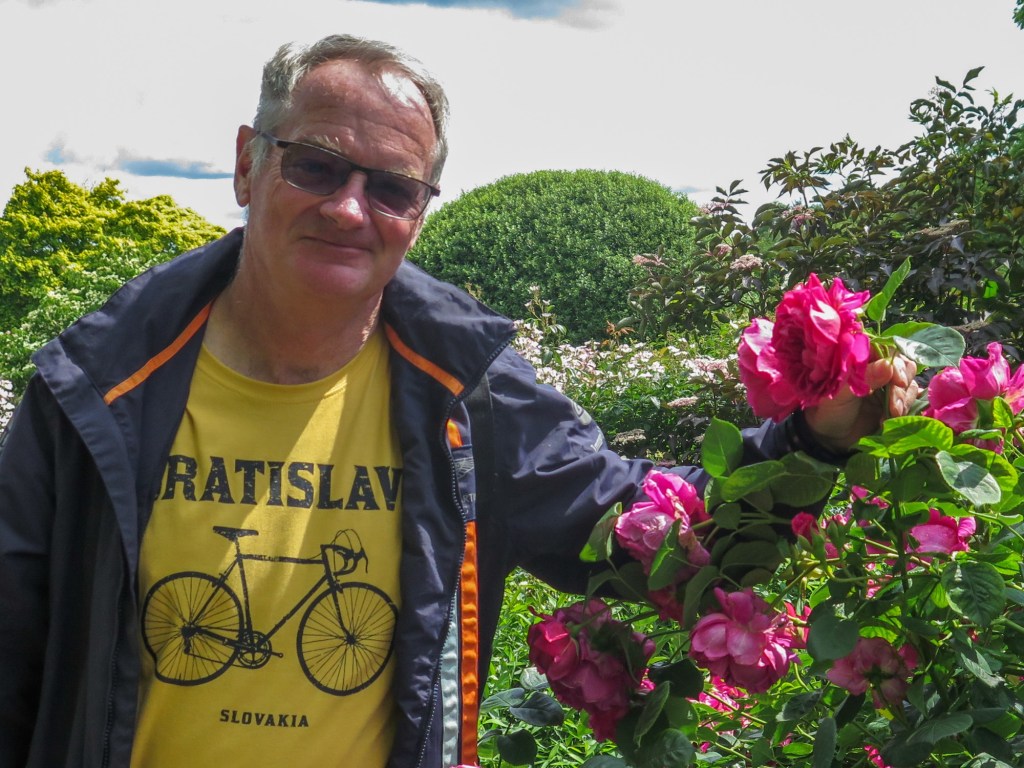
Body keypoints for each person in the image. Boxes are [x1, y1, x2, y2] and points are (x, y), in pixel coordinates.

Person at [0, 34, 918, 768]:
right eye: (316, 166)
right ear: (248, 164)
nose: (350, 209)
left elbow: (649, 539)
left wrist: (814, 442)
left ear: (421, 209)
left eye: (392, 188)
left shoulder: (470, 393)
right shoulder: (95, 389)